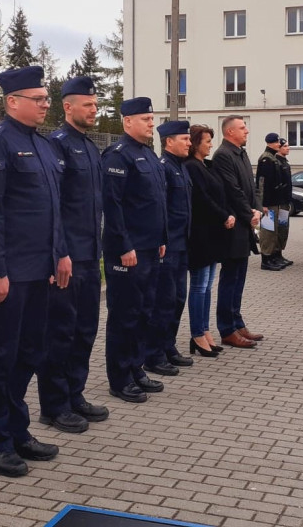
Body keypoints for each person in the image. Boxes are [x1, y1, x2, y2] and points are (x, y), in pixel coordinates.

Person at [0, 66, 68, 478]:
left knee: (29, 353)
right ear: (13, 102)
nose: (47, 104)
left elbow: (52, 209)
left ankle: (18, 431)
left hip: (40, 270)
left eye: (47, 98)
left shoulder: (43, 147)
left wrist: (60, 253)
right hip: (8, 274)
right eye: (39, 99)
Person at [37, 76, 109, 435]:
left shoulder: (90, 147)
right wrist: (58, 253)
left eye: (96, 105)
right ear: (68, 107)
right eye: (88, 105)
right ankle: (54, 405)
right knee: (60, 333)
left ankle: (74, 394)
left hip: (89, 255)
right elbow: (53, 207)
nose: (94, 110)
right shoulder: (58, 145)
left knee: (84, 330)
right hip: (66, 258)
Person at [101, 97, 167, 402]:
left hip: (151, 249)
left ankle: (136, 367)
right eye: (145, 119)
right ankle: (119, 377)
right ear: (128, 122)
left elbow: (157, 203)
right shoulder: (118, 155)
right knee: (125, 315)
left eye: (152, 120)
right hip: (129, 252)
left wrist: (162, 238)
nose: (151, 124)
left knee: (144, 312)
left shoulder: (149, 155)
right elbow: (112, 206)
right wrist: (123, 245)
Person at [144, 119, 194, 376]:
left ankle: (168, 346)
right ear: (169, 141)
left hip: (181, 244)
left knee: (177, 299)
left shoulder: (181, 167)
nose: (189, 142)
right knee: (162, 302)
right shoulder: (163, 167)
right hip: (168, 246)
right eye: (184, 139)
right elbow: (161, 208)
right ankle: (153, 354)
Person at [211, 115, 263, 348]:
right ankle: (227, 329)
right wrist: (248, 214)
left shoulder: (241, 153)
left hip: (244, 224)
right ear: (230, 132)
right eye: (242, 128)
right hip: (233, 227)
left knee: (239, 277)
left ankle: (237, 321)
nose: (247, 131)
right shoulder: (223, 155)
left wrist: (258, 209)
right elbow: (232, 190)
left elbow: (251, 187)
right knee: (230, 279)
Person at [183, 124, 234, 357]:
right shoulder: (192, 167)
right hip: (201, 235)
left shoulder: (206, 166)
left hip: (213, 235)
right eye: (206, 141)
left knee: (207, 286)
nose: (210, 144)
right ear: (195, 143)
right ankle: (197, 334)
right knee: (199, 286)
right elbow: (201, 199)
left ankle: (205, 330)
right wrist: (224, 216)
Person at [256, 133, 288, 270]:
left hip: (275, 201)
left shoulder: (273, 158)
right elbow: (263, 183)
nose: (278, 145)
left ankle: (273, 257)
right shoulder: (266, 159)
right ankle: (266, 259)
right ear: (269, 143)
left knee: (275, 231)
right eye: (276, 143)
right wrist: (263, 204)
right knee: (268, 231)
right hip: (268, 203)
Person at [273, 139, 294, 266]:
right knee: (275, 229)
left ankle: (279, 254)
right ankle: (274, 255)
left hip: (285, 202)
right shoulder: (276, 162)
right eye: (285, 146)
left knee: (283, 228)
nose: (288, 148)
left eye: (288, 146)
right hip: (278, 202)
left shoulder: (285, 162)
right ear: (279, 148)